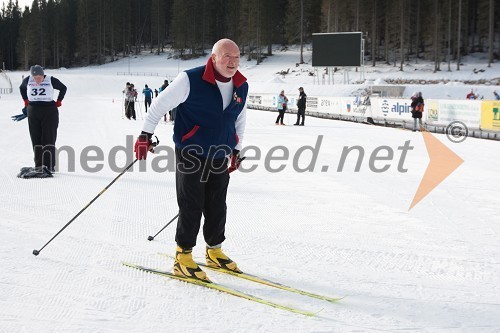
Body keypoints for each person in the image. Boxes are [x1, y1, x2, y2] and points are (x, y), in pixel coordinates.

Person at [134, 38, 248, 282]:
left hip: (220, 152)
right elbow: (159, 104)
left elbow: (239, 118)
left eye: (237, 57)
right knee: (191, 203)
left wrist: (236, 150)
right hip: (191, 151)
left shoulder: (241, 85)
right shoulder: (191, 79)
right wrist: (145, 134)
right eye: (227, 56)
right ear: (214, 57)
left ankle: (214, 251)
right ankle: (183, 256)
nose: (233, 62)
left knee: (217, 204)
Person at [18, 65, 67, 178]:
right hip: (33, 110)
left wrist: (59, 101)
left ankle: (49, 166)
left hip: (49, 110)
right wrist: (26, 100)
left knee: (48, 138)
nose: (38, 79)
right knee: (36, 138)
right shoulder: (27, 80)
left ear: (43, 74)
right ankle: (39, 165)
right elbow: (21, 88)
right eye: (35, 77)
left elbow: (63, 88)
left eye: (39, 76)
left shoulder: (51, 79)